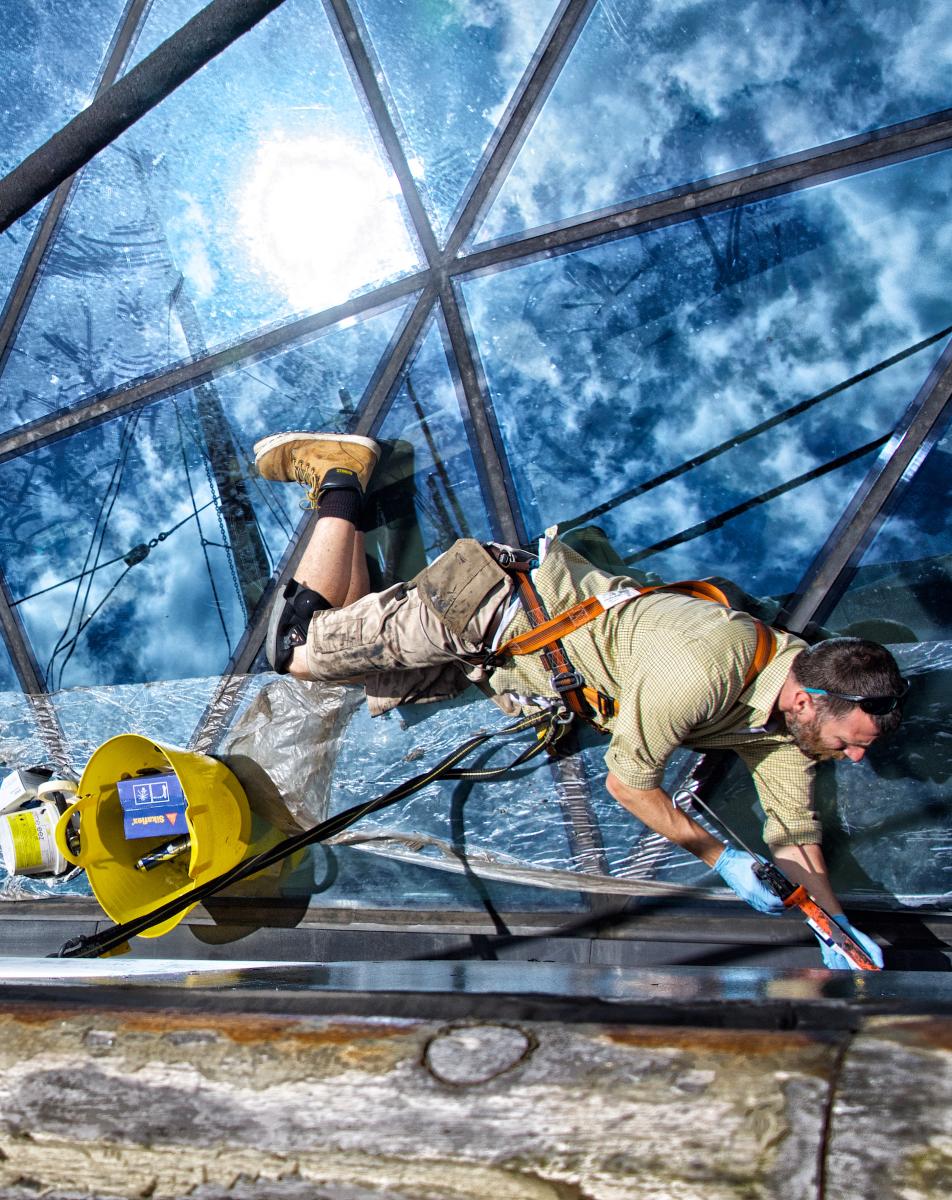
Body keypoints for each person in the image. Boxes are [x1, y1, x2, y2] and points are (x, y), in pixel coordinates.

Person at [256, 431, 908, 969]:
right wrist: (721, 858)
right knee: (292, 651)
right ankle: (342, 475)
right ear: (809, 699)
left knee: (352, 671)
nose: (851, 759)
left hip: (502, 659)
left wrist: (831, 924)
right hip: (482, 607)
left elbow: (796, 837)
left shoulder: (781, 730)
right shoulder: (709, 664)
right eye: (851, 741)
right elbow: (630, 787)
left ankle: (356, 532)